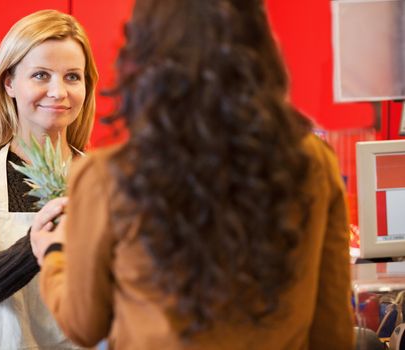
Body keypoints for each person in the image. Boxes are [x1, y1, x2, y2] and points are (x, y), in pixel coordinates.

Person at [31, 0, 354, 349]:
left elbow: (84, 324)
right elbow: (332, 332)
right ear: (260, 49)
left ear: (144, 59)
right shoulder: (312, 163)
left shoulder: (106, 176)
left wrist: (55, 254)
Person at [0, 9, 98, 349]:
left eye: (72, 77)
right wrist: (35, 247)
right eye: (41, 75)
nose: (58, 91)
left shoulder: (106, 180)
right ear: (9, 83)